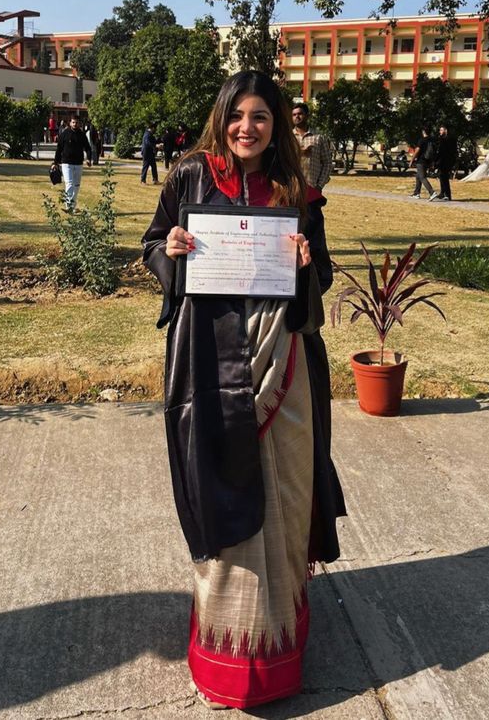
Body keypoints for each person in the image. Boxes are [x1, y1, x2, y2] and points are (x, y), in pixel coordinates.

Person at [143, 70, 345, 710]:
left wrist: (309, 266)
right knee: (219, 485)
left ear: (275, 124)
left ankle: (278, 653)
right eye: (238, 115)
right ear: (221, 117)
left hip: (282, 357)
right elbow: (153, 245)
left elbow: (325, 275)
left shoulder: (297, 190)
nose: (247, 128)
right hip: (207, 359)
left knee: (285, 493)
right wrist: (170, 250)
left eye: (260, 117)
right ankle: (227, 656)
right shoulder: (189, 178)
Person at [292, 102, 332, 235]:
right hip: (292, 189)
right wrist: (299, 152)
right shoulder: (288, 138)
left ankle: (314, 255)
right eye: (294, 115)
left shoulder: (318, 138)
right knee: (293, 227)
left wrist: (319, 185)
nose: (297, 117)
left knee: (313, 227)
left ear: (307, 116)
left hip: (312, 189)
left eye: (300, 114)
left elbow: (327, 163)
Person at [51, 115, 92, 211]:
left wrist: (89, 159)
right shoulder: (65, 134)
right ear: (70, 123)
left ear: (79, 123)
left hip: (78, 163)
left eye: (77, 122)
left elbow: (88, 148)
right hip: (66, 163)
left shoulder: (82, 135)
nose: (75, 124)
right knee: (69, 184)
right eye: (73, 122)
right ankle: (68, 206)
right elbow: (59, 149)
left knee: (76, 185)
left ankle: (72, 205)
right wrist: (55, 162)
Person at [409, 126, 438, 200]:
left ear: (423, 132)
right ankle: (416, 193)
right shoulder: (432, 140)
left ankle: (432, 192)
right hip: (428, 161)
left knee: (422, 177)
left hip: (421, 161)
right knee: (418, 176)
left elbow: (417, 151)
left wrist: (412, 160)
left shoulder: (422, 140)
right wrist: (432, 162)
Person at [434, 124, 458, 201]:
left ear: (445, 130)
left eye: (441, 130)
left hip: (446, 160)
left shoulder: (448, 139)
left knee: (444, 177)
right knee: (441, 176)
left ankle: (447, 194)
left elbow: (443, 151)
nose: (440, 132)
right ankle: (442, 192)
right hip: (443, 160)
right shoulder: (443, 139)